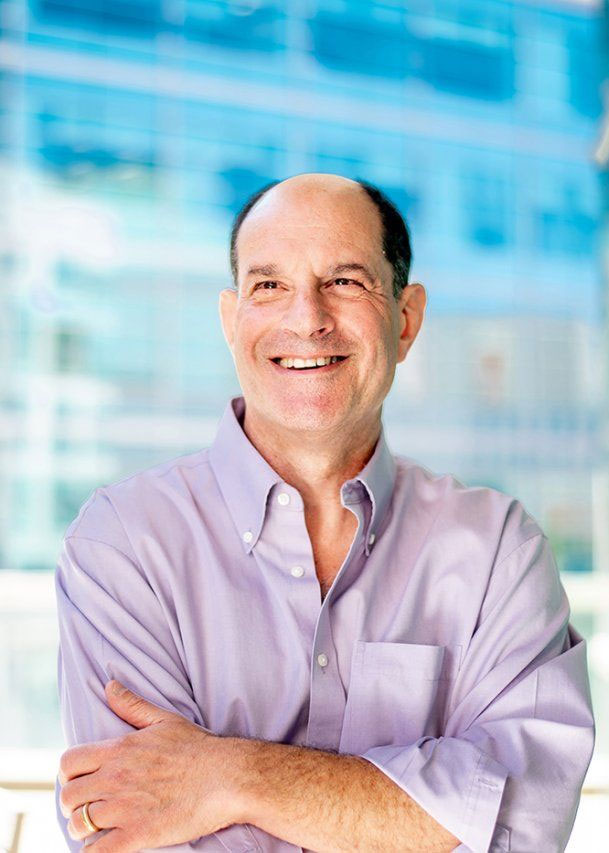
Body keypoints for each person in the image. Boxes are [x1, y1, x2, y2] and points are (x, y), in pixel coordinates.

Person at [54, 173, 595, 853]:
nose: (306, 317)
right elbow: (132, 826)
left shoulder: (496, 551)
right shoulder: (125, 542)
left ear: (405, 318)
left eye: (344, 281)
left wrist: (231, 775)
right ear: (231, 319)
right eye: (269, 285)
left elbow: (521, 824)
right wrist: (425, 807)